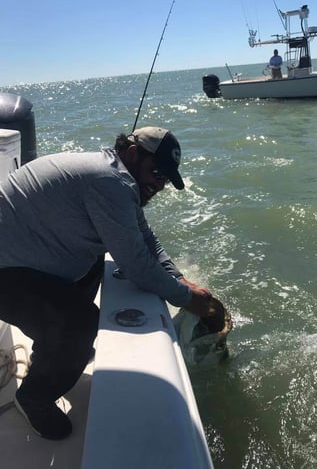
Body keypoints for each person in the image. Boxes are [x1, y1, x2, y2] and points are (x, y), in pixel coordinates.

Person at [0, 126, 225, 440]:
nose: (158, 184)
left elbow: (146, 240)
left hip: (24, 257)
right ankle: (33, 397)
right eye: (156, 172)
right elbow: (137, 266)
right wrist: (187, 298)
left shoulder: (114, 177)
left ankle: (53, 351)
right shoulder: (110, 182)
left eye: (165, 178)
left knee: (93, 259)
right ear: (132, 154)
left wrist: (178, 278)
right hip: (5, 272)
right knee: (79, 323)